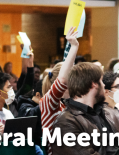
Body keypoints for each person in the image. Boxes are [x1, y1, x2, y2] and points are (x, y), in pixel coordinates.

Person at [51, 61, 119, 155]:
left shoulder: (111, 113)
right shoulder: (66, 122)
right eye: (101, 81)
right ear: (94, 84)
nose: (104, 85)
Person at [40, 27, 78, 155]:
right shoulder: (48, 104)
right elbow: (62, 79)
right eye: (71, 81)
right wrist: (73, 47)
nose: (75, 85)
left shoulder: (68, 104)